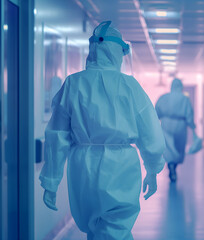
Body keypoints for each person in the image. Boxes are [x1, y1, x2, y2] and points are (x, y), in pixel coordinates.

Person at [39, 21, 165, 240]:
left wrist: (51, 181)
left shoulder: (72, 84)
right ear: (117, 52)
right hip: (121, 167)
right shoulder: (129, 86)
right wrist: (152, 168)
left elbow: (57, 137)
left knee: (95, 230)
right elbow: (150, 131)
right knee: (115, 229)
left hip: (82, 168)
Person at [155, 78, 196, 182]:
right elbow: (189, 115)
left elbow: (156, 112)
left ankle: (170, 165)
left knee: (168, 148)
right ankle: (174, 166)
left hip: (166, 124)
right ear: (181, 86)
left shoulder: (164, 97)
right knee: (178, 148)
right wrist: (192, 126)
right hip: (180, 125)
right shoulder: (185, 99)